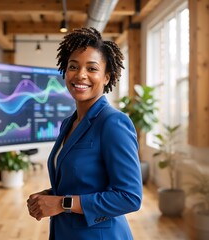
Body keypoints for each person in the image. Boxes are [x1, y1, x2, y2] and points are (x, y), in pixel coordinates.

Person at [26, 27, 143, 239]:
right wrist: (49, 197)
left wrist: (62, 203)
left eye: (92, 68)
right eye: (73, 66)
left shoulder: (113, 123)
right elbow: (83, 182)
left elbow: (129, 197)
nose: (80, 75)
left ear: (107, 77)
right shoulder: (68, 124)